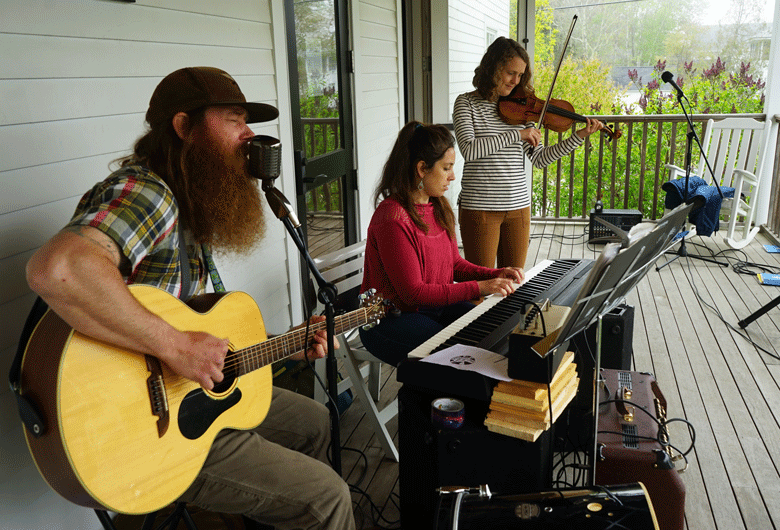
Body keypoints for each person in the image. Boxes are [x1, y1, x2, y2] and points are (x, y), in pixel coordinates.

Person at [25, 67, 355, 530]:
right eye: (234, 120)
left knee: (316, 423)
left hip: (193, 400)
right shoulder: (150, 193)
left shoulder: (189, 200)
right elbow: (58, 269)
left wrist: (285, 343)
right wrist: (178, 349)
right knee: (328, 499)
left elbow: (200, 333)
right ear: (184, 128)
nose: (250, 135)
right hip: (146, 432)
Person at [358, 121, 524, 367]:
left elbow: (453, 264)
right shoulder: (392, 218)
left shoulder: (438, 205)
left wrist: (495, 273)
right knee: (457, 356)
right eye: (446, 168)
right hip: (388, 318)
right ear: (422, 169)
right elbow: (413, 293)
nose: (452, 176)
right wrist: (481, 287)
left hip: (432, 306)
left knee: (491, 332)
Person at [454, 36, 605, 270]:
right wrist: (518, 135)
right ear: (492, 68)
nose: (516, 81)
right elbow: (469, 150)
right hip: (480, 207)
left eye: (521, 75)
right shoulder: (466, 104)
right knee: (481, 286)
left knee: (514, 284)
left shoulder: (522, 108)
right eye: (510, 73)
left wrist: (579, 136)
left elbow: (540, 159)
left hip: (518, 208)